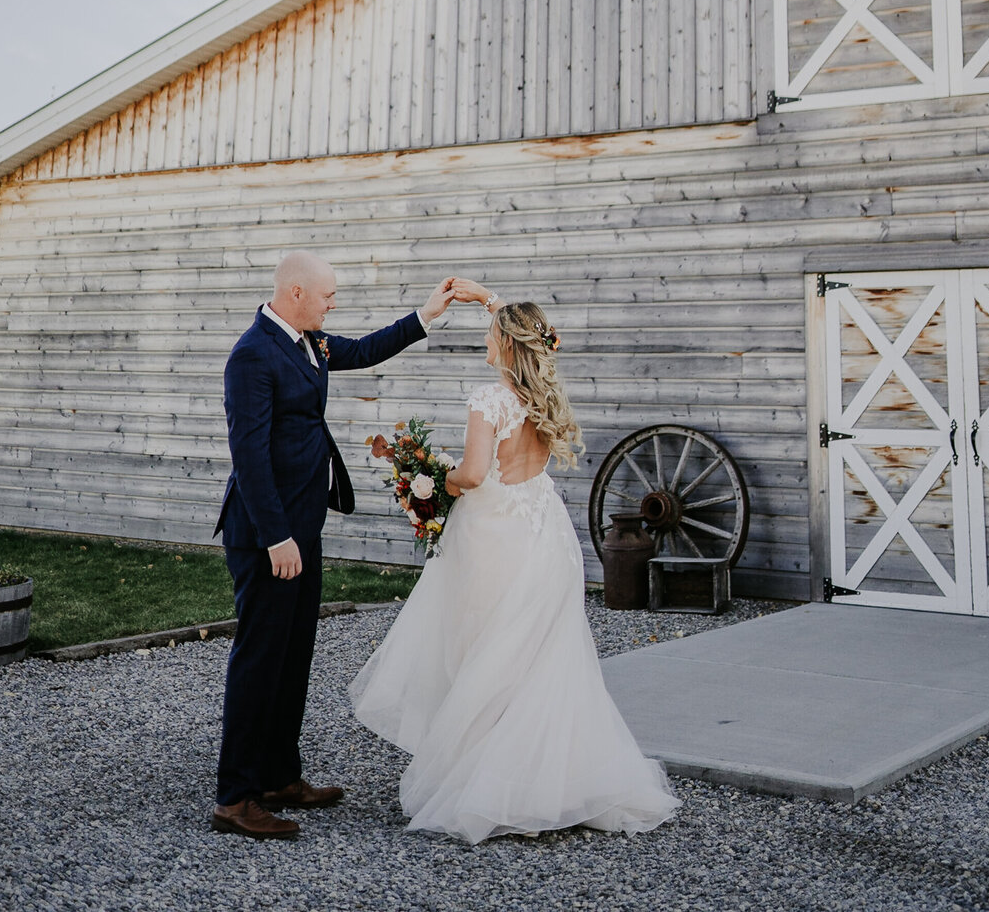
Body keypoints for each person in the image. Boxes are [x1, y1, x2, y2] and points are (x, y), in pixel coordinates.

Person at [350, 282, 679, 844]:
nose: (485, 335)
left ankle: (488, 787)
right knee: (536, 657)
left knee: (485, 654)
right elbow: (537, 334)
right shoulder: (541, 395)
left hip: (494, 535)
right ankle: (553, 782)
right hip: (544, 533)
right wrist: (490, 298)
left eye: (490, 330)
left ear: (505, 343)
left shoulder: (489, 399)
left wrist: (428, 480)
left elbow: (475, 476)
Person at [211, 250, 458, 840]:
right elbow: (248, 457)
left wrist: (425, 314)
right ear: (296, 292)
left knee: (293, 657)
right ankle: (235, 797)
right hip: (269, 536)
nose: (333, 303)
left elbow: (366, 348)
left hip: (304, 527)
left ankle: (278, 776)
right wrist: (276, 536)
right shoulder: (252, 356)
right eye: (327, 295)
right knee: (259, 660)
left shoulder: (309, 342)